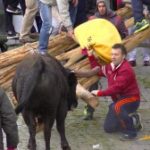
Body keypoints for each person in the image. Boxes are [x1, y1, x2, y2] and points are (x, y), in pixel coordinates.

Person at [76, 44, 142, 140]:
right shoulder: (111, 66)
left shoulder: (126, 70)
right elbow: (98, 70)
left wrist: (99, 93)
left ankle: (131, 132)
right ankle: (132, 118)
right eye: (112, 54)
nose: (113, 57)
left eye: (116, 54)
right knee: (109, 128)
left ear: (123, 56)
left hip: (131, 99)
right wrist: (91, 56)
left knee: (116, 107)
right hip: (119, 100)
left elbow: (116, 88)